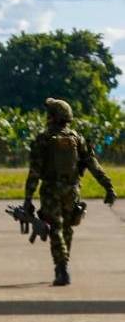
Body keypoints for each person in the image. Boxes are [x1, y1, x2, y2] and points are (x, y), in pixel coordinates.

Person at [24, 98, 116, 286]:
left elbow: (34, 172)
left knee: (55, 228)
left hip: (51, 190)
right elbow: (93, 165)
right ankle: (63, 264)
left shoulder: (44, 139)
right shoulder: (77, 139)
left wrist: (28, 198)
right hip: (72, 190)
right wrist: (108, 186)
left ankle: (62, 268)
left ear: (53, 117)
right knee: (67, 228)